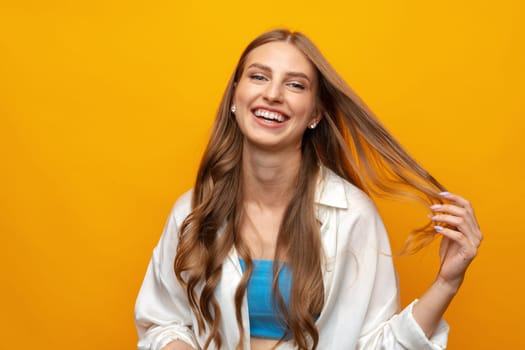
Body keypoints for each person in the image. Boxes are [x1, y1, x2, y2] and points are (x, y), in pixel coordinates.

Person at [134, 29, 482, 350]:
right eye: (259, 77)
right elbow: (162, 321)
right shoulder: (194, 211)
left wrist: (447, 283)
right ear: (234, 98)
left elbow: (377, 344)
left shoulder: (353, 215)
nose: (272, 94)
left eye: (296, 85)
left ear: (315, 113)